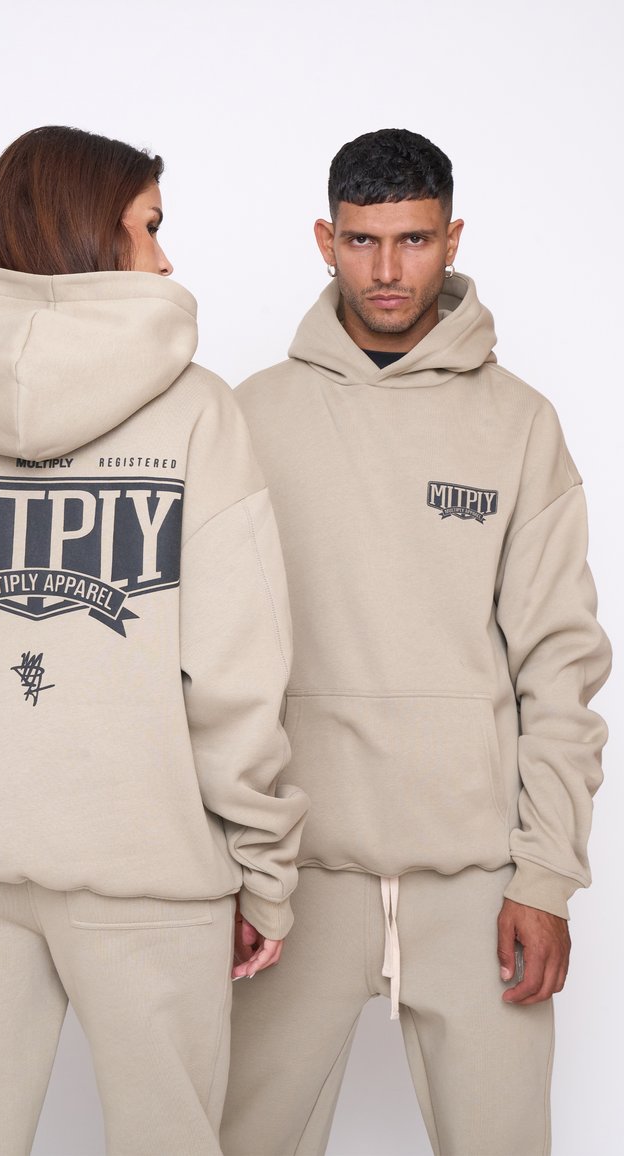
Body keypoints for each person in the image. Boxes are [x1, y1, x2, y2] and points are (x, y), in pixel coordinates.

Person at [0, 125, 308, 1156]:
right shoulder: (196, 414)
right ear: (91, 233)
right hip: (154, 875)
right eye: (149, 226)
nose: (166, 259)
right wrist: (264, 869)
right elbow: (237, 672)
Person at [221, 128, 611, 1156]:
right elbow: (207, 664)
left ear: (452, 238)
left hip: (476, 883)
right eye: (361, 241)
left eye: (413, 240)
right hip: (292, 882)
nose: (387, 269)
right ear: (325, 240)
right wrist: (230, 866)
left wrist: (544, 878)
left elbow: (560, 667)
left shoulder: (518, 425)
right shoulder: (248, 417)